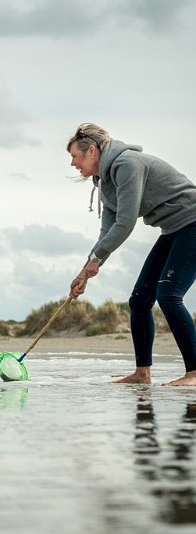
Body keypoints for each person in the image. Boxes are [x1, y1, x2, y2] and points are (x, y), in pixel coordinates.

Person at [67, 123, 196, 386]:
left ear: (91, 151)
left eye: (74, 156)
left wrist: (94, 262)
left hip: (192, 223)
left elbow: (125, 224)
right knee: (139, 301)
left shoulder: (127, 164)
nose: (72, 163)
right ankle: (142, 373)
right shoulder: (105, 183)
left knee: (169, 295)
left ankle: (195, 373)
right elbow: (107, 232)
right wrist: (85, 272)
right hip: (172, 228)